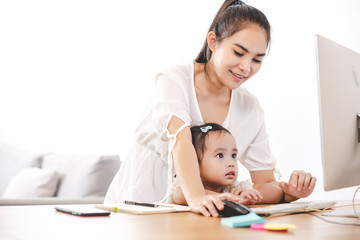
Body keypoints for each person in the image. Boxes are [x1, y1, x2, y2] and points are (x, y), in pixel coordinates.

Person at [105, 0, 316, 217]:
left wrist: (288, 193)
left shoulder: (250, 106)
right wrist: (196, 196)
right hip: (140, 207)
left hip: (202, 217)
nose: (246, 67)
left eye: (257, 59)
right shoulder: (174, 80)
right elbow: (181, 140)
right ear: (213, 42)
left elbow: (266, 183)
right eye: (238, 53)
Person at [169, 123, 263, 206]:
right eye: (220, 155)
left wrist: (249, 195)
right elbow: (181, 195)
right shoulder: (186, 187)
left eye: (233, 155)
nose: (231, 163)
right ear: (195, 163)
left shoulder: (232, 188)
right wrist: (230, 199)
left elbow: (274, 192)